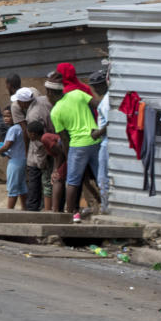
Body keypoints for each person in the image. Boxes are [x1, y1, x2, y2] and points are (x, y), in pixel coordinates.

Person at [46, 78, 102, 219]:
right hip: (95, 140)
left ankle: (71, 215)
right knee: (101, 178)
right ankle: (107, 207)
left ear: (50, 92)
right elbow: (98, 105)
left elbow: (65, 139)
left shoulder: (56, 111)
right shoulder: (77, 93)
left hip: (77, 146)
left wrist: (68, 157)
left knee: (72, 182)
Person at [11, 87, 54, 212]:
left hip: (42, 145)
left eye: (19, 101)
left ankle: (35, 208)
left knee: (40, 177)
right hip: (53, 140)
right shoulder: (43, 100)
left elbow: (34, 138)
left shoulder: (33, 115)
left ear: (24, 103)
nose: (17, 104)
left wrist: (40, 161)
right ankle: (45, 206)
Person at [0, 108, 27, 210]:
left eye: (8, 116)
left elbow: (7, 145)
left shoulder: (13, 129)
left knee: (12, 187)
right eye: (4, 116)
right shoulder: (21, 127)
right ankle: (25, 209)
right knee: (22, 186)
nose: (6, 119)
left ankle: (9, 211)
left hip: (15, 161)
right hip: (22, 159)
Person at [27, 120, 66, 212]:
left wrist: (56, 170)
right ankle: (54, 208)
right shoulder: (44, 139)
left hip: (67, 158)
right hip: (63, 159)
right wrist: (55, 170)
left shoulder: (45, 138)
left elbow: (60, 153)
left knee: (56, 180)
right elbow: (56, 155)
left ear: (32, 134)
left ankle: (53, 209)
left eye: (28, 133)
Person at [89, 68, 110, 215]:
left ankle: (106, 207)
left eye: (95, 86)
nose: (94, 90)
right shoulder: (106, 99)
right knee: (102, 177)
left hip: (106, 143)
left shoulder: (107, 101)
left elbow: (110, 123)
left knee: (103, 178)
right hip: (105, 142)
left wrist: (96, 133)